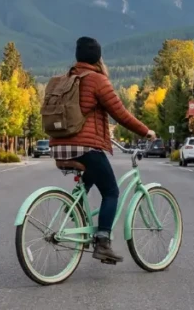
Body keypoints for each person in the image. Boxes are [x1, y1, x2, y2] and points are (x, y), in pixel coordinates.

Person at [50, 37, 156, 264]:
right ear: (98, 57)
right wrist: (146, 131)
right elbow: (121, 114)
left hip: (59, 147)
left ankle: (76, 214)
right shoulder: (97, 80)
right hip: (87, 147)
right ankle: (102, 242)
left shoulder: (65, 79)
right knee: (111, 192)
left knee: (88, 181)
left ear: (78, 56)